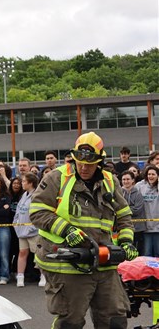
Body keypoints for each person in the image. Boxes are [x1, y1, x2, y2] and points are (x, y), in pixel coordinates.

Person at [30, 132, 135, 328]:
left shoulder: (110, 181)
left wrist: (126, 241)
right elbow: (37, 211)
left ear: (100, 161)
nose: (84, 167)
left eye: (90, 163)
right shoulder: (56, 178)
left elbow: (124, 216)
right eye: (79, 162)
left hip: (104, 262)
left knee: (115, 320)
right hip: (68, 263)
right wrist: (67, 230)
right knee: (70, 321)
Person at [12, 173, 45, 287]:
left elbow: (39, 213)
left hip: (33, 231)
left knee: (38, 253)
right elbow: (18, 211)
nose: (22, 183)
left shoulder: (36, 195)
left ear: (30, 183)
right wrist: (15, 224)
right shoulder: (23, 195)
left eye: (24, 181)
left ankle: (43, 276)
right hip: (21, 231)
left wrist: (32, 227)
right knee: (22, 252)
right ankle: (20, 276)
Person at [135, 165, 159, 256]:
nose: (151, 176)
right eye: (149, 174)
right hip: (145, 227)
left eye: (153, 174)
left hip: (157, 227)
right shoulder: (140, 186)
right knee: (147, 253)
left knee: (157, 253)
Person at [121, 170, 145, 254]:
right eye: (124, 179)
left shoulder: (138, 194)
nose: (125, 181)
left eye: (128, 179)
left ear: (133, 181)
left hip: (137, 229)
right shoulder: (118, 193)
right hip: (123, 229)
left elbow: (137, 210)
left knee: (137, 252)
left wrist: (123, 210)